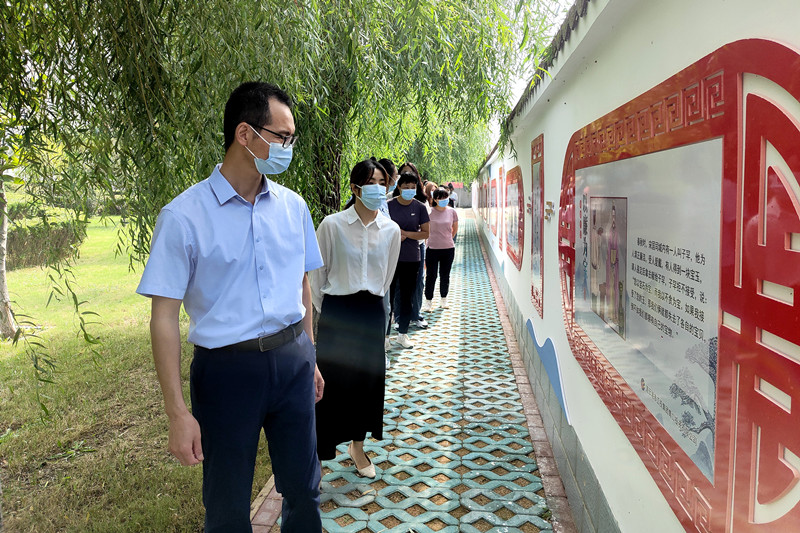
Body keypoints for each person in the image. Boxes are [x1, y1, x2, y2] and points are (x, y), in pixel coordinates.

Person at [136, 82, 324, 533]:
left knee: (304, 489)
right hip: (226, 373)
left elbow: (301, 284)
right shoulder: (184, 216)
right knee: (227, 504)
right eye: (282, 137)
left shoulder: (293, 208)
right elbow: (163, 317)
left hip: (293, 362)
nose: (288, 148)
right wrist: (177, 412)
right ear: (245, 134)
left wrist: (310, 354)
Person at [311, 159, 401, 478]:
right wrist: (332, 311)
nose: (378, 188)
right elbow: (316, 276)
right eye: (371, 182)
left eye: (382, 182)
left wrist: (375, 310)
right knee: (330, 384)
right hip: (337, 313)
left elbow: (386, 278)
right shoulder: (331, 225)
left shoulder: (391, 230)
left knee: (366, 384)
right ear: (355, 188)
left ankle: (357, 447)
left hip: (371, 313)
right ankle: (319, 454)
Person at [387, 172, 430, 348]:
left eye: (413, 187)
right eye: (406, 187)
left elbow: (425, 233)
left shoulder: (419, 207)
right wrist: (395, 234)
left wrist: (405, 234)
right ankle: (385, 336)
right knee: (388, 298)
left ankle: (402, 334)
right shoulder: (388, 206)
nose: (410, 190)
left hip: (411, 258)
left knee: (407, 297)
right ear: (399, 187)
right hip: (390, 257)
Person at [422, 188, 459, 312]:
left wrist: (447, 238)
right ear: (435, 199)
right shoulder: (429, 212)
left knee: (445, 275)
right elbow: (424, 228)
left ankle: (444, 299)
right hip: (432, 248)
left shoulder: (452, 212)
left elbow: (455, 228)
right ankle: (428, 301)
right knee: (431, 276)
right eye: (440, 198)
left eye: (445, 197)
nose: (443, 200)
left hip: (448, 248)